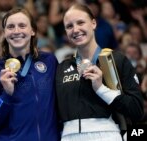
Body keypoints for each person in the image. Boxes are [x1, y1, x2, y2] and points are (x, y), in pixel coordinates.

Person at [55, 4, 144, 141]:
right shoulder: (62, 67)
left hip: (106, 134)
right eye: (69, 26)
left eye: (80, 22)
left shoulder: (117, 60)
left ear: (93, 23)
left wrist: (101, 89)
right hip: (68, 136)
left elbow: (136, 111)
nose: (75, 30)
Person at [0, 8, 60, 141]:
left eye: (22, 26)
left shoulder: (49, 61)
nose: (16, 31)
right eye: (11, 27)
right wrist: (6, 95)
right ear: (4, 33)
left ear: (33, 30)